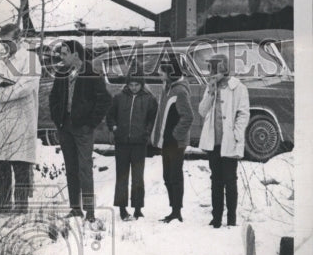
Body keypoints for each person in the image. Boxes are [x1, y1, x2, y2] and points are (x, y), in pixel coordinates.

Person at [0, 23, 40, 212]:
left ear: (19, 40)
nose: (4, 45)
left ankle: (21, 207)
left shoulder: (30, 58)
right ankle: (3, 204)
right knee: (0, 163)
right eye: (1, 41)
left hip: (20, 117)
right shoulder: (0, 61)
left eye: (7, 41)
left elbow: (26, 85)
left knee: (20, 164)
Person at [48, 39, 111, 222]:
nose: (61, 56)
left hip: (83, 128)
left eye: (65, 53)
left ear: (76, 55)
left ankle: (90, 212)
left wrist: (91, 122)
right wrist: (57, 117)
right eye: (61, 53)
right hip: (65, 126)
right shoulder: (61, 72)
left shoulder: (91, 73)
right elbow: (53, 97)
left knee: (85, 168)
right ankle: (75, 208)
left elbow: (105, 100)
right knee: (71, 168)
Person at [198, 52, 250, 228]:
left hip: (229, 142)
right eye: (210, 68)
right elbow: (202, 111)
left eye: (215, 67)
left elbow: (243, 113)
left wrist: (236, 134)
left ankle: (232, 218)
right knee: (216, 180)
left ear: (223, 68)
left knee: (230, 180)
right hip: (214, 143)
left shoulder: (238, 87)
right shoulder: (210, 87)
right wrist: (210, 92)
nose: (211, 72)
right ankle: (216, 217)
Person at [105, 70, 158, 220]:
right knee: (122, 176)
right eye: (131, 84)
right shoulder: (119, 98)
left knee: (138, 177)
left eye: (137, 85)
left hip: (139, 144)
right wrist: (114, 128)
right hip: (121, 143)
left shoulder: (149, 99)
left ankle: (137, 209)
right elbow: (110, 115)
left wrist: (146, 133)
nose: (134, 87)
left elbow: (152, 119)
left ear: (142, 85)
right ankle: (122, 209)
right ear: (127, 84)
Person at [149, 56, 194, 223]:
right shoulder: (167, 88)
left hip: (176, 142)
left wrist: (176, 134)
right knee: (167, 176)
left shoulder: (180, 91)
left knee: (175, 176)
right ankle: (173, 208)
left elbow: (188, 117)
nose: (160, 74)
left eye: (163, 71)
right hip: (166, 140)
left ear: (171, 73)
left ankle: (177, 211)